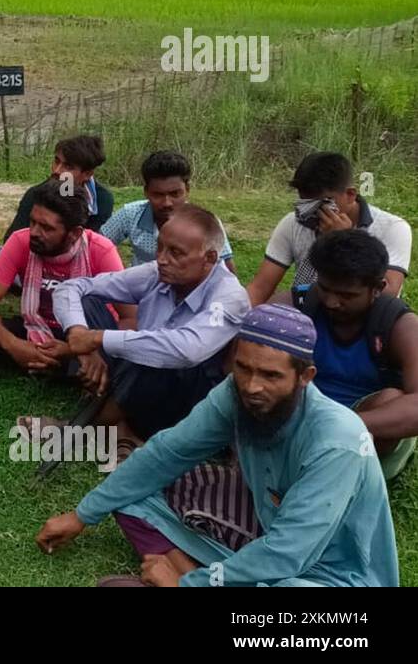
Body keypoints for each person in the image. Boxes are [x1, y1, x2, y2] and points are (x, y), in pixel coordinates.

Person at [36, 304, 400, 587]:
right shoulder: (235, 394)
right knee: (131, 496)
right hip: (267, 526)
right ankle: (189, 570)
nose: (252, 386)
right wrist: (82, 515)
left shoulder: (337, 441)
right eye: (244, 369)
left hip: (331, 575)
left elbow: (288, 555)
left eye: (271, 375)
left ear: (304, 377)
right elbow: (167, 452)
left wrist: (189, 583)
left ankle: (182, 573)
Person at [43, 205, 250, 443]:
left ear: (210, 258)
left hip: (187, 396)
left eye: (176, 253)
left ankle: (83, 429)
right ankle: (119, 424)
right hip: (140, 377)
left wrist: (99, 338)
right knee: (90, 302)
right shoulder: (157, 273)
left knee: (156, 350)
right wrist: (80, 336)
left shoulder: (228, 296)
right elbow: (72, 287)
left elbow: (186, 350)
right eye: (160, 247)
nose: (162, 259)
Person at [282, 230, 418, 481]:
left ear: (378, 288)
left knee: (392, 397)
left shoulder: (400, 325)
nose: (332, 302)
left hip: (367, 427)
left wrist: (336, 425)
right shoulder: (299, 306)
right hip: (305, 413)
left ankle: (333, 474)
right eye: (325, 289)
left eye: (347, 295)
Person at [0, 179, 124, 373]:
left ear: (74, 233)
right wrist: (13, 345)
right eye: (33, 222)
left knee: (98, 358)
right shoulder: (21, 241)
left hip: (85, 334)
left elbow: (130, 319)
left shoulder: (100, 250)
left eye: (46, 228)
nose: (35, 232)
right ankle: (48, 364)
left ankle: (57, 364)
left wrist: (72, 349)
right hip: (36, 326)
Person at [247, 151, 410, 304]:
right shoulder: (294, 223)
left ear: (350, 195)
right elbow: (261, 287)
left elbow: (387, 292)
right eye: (305, 203)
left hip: (363, 318)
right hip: (310, 309)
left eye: (322, 204)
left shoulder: (392, 228)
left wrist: (344, 242)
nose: (312, 212)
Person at [98, 150, 235, 273]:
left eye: (175, 194)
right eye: (158, 195)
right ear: (146, 192)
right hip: (141, 293)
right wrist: (117, 271)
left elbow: (226, 270)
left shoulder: (205, 222)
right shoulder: (131, 214)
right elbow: (96, 246)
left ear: (187, 190)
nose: (167, 203)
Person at [5, 135, 114, 237]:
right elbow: (12, 241)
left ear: (87, 174)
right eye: (56, 161)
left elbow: (92, 243)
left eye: (68, 167)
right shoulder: (36, 195)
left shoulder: (102, 201)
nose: (57, 171)